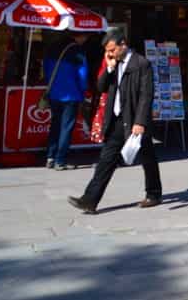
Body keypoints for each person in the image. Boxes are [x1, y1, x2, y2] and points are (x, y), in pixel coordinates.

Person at [68, 30, 162, 214]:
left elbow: (146, 95)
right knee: (106, 160)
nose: (110, 54)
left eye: (113, 49)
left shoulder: (141, 64)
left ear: (123, 44)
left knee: (147, 157)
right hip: (117, 119)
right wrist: (109, 67)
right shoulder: (114, 64)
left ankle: (154, 193)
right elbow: (101, 87)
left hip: (134, 120)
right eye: (107, 51)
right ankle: (90, 200)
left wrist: (140, 121)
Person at [44, 33, 90, 170]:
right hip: (72, 94)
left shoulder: (53, 47)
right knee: (66, 127)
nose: (85, 38)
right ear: (79, 36)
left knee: (55, 124)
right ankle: (60, 160)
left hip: (54, 93)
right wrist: (84, 91)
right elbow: (83, 74)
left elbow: (46, 68)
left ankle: (50, 157)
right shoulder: (78, 51)